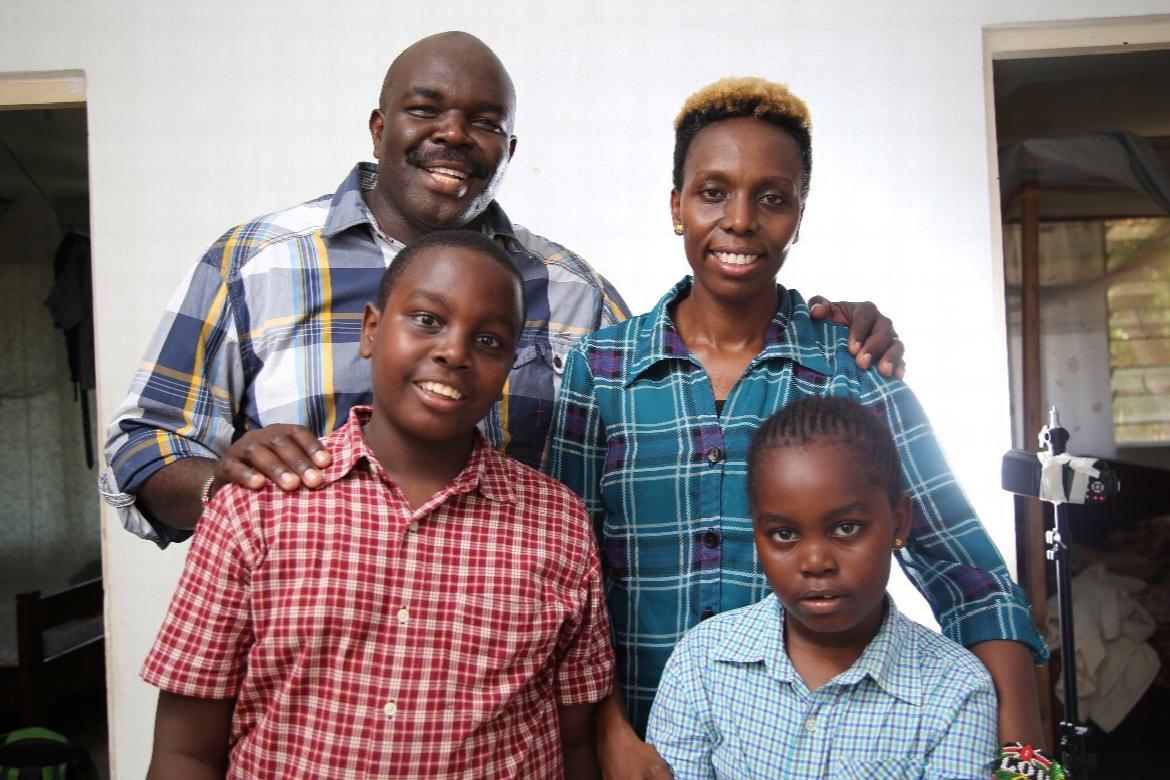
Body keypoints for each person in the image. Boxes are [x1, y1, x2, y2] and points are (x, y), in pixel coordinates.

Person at [100, 31, 905, 547]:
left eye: (485, 122)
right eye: (426, 109)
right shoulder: (257, 263)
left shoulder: (574, 294)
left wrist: (824, 330)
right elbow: (138, 449)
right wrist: (223, 483)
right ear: (379, 126)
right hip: (304, 687)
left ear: (509, 149)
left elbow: (681, 426)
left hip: (501, 687)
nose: (454, 134)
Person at [545, 77, 1047, 775]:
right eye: (712, 192)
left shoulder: (853, 369)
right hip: (633, 750)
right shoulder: (600, 371)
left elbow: (970, 578)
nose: (740, 220)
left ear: (800, 215)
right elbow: (563, 582)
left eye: (773, 198)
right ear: (676, 205)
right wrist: (608, 734)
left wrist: (1026, 763)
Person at [142, 231, 614, 778]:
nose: (454, 352)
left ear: (509, 365)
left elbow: (576, 745)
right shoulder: (259, 506)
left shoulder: (557, 522)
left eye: (489, 341)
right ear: (370, 329)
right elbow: (186, 751)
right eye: (427, 320)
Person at [645, 396, 999, 779]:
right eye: (784, 534)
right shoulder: (703, 661)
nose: (815, 562)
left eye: (846, 528)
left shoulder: (955, 690)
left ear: (899, 521)